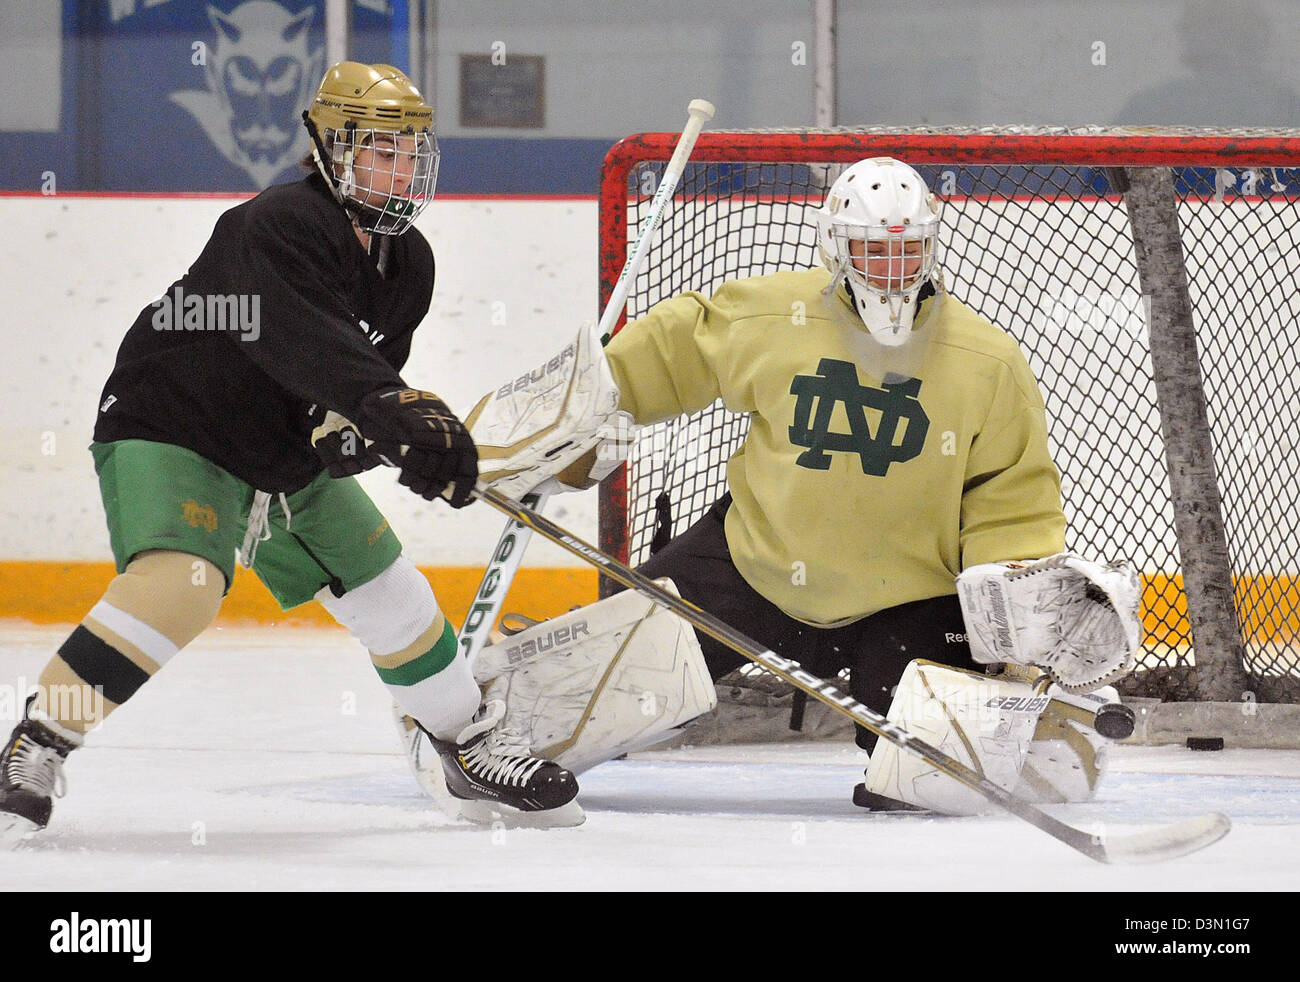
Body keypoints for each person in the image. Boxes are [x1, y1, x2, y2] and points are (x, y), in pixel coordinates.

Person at [0, 62, 580, 848]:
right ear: (332, 150)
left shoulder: (409, 264)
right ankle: (41, 740)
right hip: (175, 421)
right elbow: (296, 334)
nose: (401, 169)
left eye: (411, 153)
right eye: (381, 151)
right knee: (185, 583)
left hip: (276, 450)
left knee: (394, 596)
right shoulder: (272, 223)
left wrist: (372, 436)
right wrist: (389, 408)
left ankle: (466, 743)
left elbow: (346, 381)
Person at [452, 157, 1139, 815]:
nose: (891, 270)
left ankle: (980, 724)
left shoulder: (987, 360)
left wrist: (1017, 624)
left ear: (932, 248)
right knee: (556, 707)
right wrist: (585, 409)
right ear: (835, 248)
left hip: (909, 603)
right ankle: (465, 722)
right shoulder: (771, 316)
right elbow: (672, 351)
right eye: (872, 250)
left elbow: (1010, 496)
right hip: (750, 566)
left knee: (932, 781)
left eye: (907, 251)